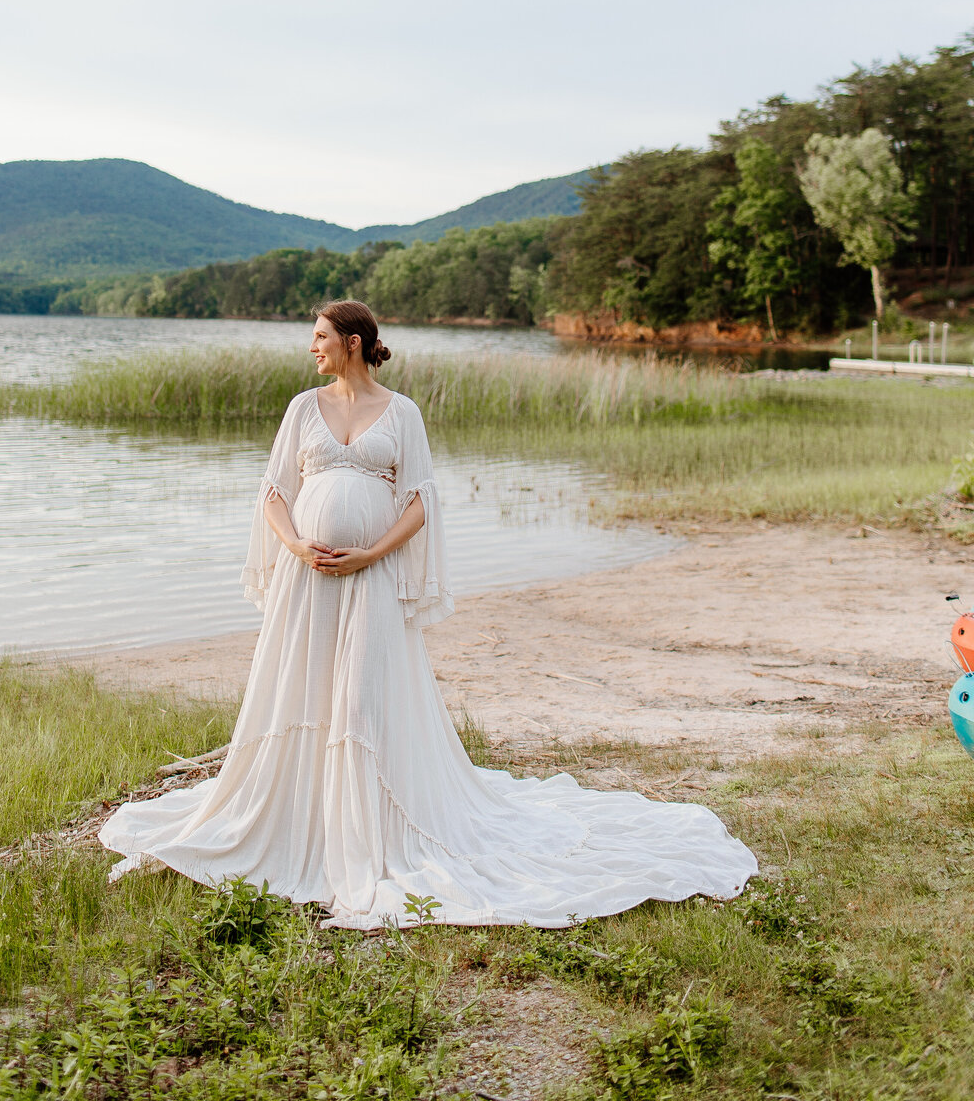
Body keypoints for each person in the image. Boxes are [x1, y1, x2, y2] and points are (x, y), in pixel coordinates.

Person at [99, 301, 757, 928]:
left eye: (321, 337)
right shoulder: (303, 409)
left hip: (371, 577)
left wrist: (369, 554)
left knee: (360, 704)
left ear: (353, 343)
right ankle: (301, 825)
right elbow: (274, 493)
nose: (312, 348)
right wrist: (298, 545)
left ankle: (369, 840)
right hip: (310, 579)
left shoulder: (402, 413)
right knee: (302, 694)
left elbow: (418, 503)